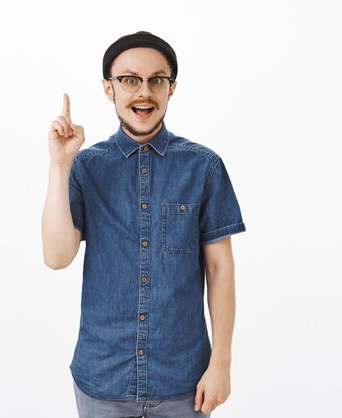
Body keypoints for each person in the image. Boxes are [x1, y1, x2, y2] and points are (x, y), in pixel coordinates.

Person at [41, 31, 246, 418]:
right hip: (102, 379)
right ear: (109, 88)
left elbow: (221, 268)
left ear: (172, 88)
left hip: (185, 383)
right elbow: (56, 256)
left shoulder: (204, 167)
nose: (144, 92)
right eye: (130, 79)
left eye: (157, 80)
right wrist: (59, 164)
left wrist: (221, 364)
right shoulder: (86, 166)